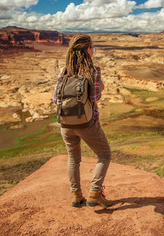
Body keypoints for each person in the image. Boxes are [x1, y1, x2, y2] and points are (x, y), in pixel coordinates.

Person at [52, 34, 113, 208]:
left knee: (73, 158)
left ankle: (76, 195)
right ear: (87, 50)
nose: (93, 50)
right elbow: (94, 97)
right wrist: (100, 87)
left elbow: (55, 99)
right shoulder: (93, 71)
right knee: (104, 154)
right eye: (92, 47)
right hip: (87, 123)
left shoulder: (63, 71)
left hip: (65, 124)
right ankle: (94, 193)